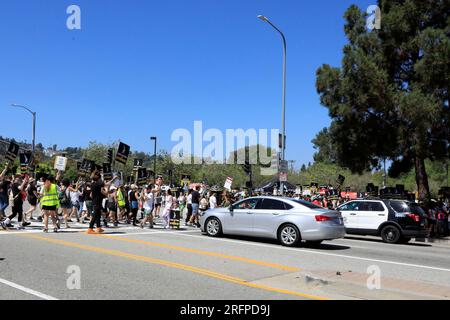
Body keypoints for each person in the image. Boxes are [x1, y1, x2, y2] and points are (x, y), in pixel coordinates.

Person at [86, 170, 117, 234]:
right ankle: (90, 228)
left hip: (96, 201)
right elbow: (106, 184)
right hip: (97, 201)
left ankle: (98, 227)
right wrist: (113, 179)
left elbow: (91, 194)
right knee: (95, 215)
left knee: (98, 215)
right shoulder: (98, 183)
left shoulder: (93, 183)